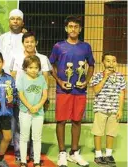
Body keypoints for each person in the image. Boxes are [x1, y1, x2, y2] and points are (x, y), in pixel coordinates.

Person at [49, 16, 95, 167]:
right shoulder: (58, 46)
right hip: (63, 91)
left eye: (76, 26)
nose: (73, 29)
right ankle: (62, 152)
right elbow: (52, 66)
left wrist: (86, 81)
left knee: (77, 121)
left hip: (79, 91)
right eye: (70, 26)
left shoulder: (86, 47)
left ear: (80, 29)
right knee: (61, 120)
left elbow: (91, 65)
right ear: (66, 28)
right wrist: (60, 81)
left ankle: (74, 152)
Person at [0, 9, 25, 160]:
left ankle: (18, 147)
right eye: (12, 19)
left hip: (20, 84)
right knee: (4, 115)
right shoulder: (1, 38)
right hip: (2, 83)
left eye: (17, 19)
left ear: (22, 22)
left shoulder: (26, 38)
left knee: (18, 117)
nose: (15, 21)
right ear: (9, 21)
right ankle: (4, 147)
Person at [90, 53, 125, 166]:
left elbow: (121, 93)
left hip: (114, 110)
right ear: (103, 62)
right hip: (100, 108)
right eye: (108, 61)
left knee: (111, 133)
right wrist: (105, 77)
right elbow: (96, 90)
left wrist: (120, 109)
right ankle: (98, 155)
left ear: (116, 63)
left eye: (113, 61)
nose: (111, 63)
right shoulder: (97, 75)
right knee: (98, 132)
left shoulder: (120, 76)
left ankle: (108, 154)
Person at [17, 56, 48, 167]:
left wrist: (38, 106)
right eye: (30, 67)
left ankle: (37, 160)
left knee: (37, 137)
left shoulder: (41, 79)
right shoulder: (21, 77)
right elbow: (21, 94)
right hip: (25, 112)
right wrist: (30, 106)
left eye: (36, 67)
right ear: (25, 68)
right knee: (24, 136)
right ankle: (23, 161)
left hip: (38, 113)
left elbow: (44, 95)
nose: (33, 70)